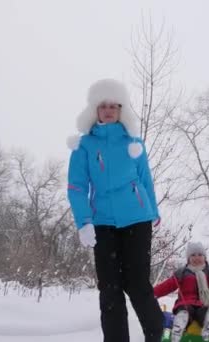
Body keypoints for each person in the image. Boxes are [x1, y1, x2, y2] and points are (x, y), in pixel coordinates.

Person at [67, 79, 163, 342]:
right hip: (103, 223)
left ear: (121, 110)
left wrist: (154, 210)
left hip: (137, 219)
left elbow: (145, 179)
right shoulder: (84, 146)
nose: (108, 110)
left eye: (114, 106)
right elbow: (76, 186)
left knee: (137, 284)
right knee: (109, 289)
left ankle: (156, 335)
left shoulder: (133, 142)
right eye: (103, 106)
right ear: (95, 110)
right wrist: (84, 221)